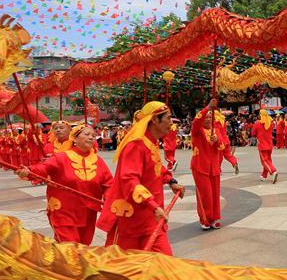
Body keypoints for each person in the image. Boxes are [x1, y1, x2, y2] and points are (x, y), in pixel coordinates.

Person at [96, 101, 183, 255]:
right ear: (155, 120)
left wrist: (171, 181)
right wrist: (153, 205)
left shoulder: (151, 143)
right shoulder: (135, 145)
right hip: (131, 219)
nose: (172, 123)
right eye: (168, 118)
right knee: (123, 268)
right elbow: (129, 179)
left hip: (151, 218)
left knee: (164, 263)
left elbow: (156, 167)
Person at [16, 125, 112, 245]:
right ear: (74, 139)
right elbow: (43, 168)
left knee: (83, 247)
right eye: (87, 135)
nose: (91, 138)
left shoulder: (99, 161)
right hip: (63, 211)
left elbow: (109, 184)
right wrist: (29, 171)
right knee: (71, 247)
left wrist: (109, 201)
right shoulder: (61, 158)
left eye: (93, 135)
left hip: (88, 213)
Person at [191, 100, 224, 230]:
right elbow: (196, 122)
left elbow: (221, 146)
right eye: (206, 117)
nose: (208, 119)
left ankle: (214, 218)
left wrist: (217, 141)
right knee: (205, 194)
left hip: (214, 167)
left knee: (215, 194)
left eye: (210, 117)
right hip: (200, 166)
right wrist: (208, 107)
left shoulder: (216, 131)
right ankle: (205, 219)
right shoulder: (197, 131)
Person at [250, 109, 278, 182]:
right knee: (268, 160)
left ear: (261, 115)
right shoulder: (270, 123)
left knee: (264, 161)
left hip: (262, 145)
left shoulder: (258, 123)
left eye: (259, 114)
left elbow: (253, 133)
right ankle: (264, 175)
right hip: (269, 144)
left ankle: (273, 171)